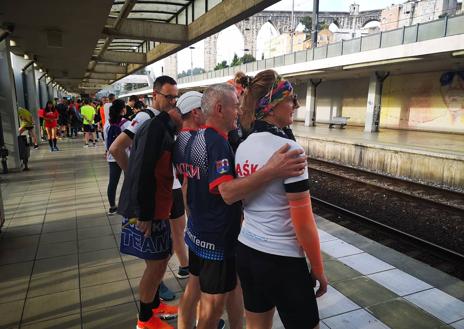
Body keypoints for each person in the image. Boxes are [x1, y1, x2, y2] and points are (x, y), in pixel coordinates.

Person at [178, 84, 308, 329]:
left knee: (196, 289)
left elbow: (187, 183)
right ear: (219, 109)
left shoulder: (191, 139)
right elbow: (227, 193)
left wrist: (192, 218)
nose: (238, 111)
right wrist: (271, 170)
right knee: (213, 306)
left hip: (196, 232)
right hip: (217, 238)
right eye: (235, 106)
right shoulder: (217, 143)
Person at [234, 70, 328, 329]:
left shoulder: (244, 146)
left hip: (248, 250)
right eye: (290, 99)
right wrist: (318, 268)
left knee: (256, 324)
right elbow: (303, 220)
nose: (295, 105)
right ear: (273, 106)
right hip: (282, 259)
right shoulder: (290, 150)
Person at [110, 76, 181, 329]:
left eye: (176, 97)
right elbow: (117, 148)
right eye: (168, 96)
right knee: (156, 262)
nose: (173, 102)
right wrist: (134, 179)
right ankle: (146, 318)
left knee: (161, 258)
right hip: (145, 203)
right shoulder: (146, 119)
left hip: (154, 200)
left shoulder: (161, 122)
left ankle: (152, 307)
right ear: (155, 94)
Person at [104, 99, 129, 215]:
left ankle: (112, 207)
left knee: (113, 182)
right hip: (125, 156)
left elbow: (106, 141)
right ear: (123, 109)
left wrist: (107, 151)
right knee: (128, 180)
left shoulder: (107, 124)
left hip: (112, 156)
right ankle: (127, 205)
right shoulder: (126, 123)